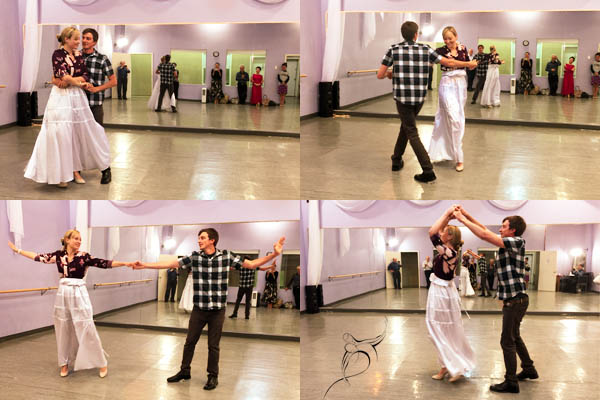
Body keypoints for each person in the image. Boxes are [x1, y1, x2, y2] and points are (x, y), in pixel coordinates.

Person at [133, 229, 285, 391]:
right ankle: (185, 371)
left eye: (202, 238)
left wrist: (274, 255)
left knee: (213, 346)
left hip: (217, 311)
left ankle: (213, 376)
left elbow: (251, 264)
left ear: (212, 240)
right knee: (189, 342)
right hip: (199, 309)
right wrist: (145, 265)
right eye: (199, 238)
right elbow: (171, 264)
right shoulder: (195, 257)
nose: (199, 240)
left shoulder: (227, 256)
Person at [7, 230, 135, 378]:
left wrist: (125, 263)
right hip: (63, 293)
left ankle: (101, 362)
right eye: (76, 239)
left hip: (79, 293)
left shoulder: (84, 257)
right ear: (67, 240)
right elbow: (37, 256)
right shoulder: (58, 256)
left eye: (80, 239)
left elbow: (104, 263)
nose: (79, 241)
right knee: (63, 326)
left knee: (86, 325)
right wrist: (19, 250)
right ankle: (64, 363)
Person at [376, 21, 477, 183]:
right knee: (407, 126)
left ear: (403, 35)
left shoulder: (393, 49)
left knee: (410, 130)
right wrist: (468, 64)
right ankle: (396, 159)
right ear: (416, 35)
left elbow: (380, 75)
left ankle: (427, 170)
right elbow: (449, 63)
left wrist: (390, 73)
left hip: (402, 97)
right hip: (419, 98)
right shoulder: (426, 49)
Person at [453, 206, 538, 393]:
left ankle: (511, 382)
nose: (500, 229)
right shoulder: (507, 241)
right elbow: (484, 230)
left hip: (515, 301)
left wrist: (461, 220)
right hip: (517, 300)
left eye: (503, 226)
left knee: (507, 341)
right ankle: (529, 369)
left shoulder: (516, 241)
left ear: (512, 230)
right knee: (514, 336)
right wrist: (467, 215)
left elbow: (484, 236)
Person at [27, 26, 110, 188]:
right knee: (59, 133)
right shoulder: (57, 54)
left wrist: (74, 80)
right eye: (76, 39)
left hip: (77, 97)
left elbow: (83, 74)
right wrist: (76, 81)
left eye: (81, 39)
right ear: (67, 39)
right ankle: (59, 174)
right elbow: (61, 74)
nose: (79, 42)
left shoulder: (78, 55)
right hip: (60, 98)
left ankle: (74, 170)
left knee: (75, 133)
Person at [426, 205, 475, 383]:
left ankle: (449, 365)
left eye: (445, 232)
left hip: (442, 293)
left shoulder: (449, 253)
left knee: (440, 329)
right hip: (440, 291)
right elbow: (438, 230)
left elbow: (432, 233)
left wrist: (447, 213)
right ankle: (447, 365)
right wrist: (448, 219)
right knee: (438, 329)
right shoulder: (448, 250)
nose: (441, 232)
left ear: (450, 237)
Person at [428, 26, 470, 173]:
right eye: (445, 39)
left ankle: (452, 148)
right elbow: (450, 64)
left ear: (456, 36)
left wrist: (473, 64)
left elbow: (470, 66)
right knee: (453, 118)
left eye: (450, 38)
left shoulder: (463, 48)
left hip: (461, 84)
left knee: (457, 118)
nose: (447, 41)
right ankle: (459, 157)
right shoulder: (440, 51)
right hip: (446, 83)